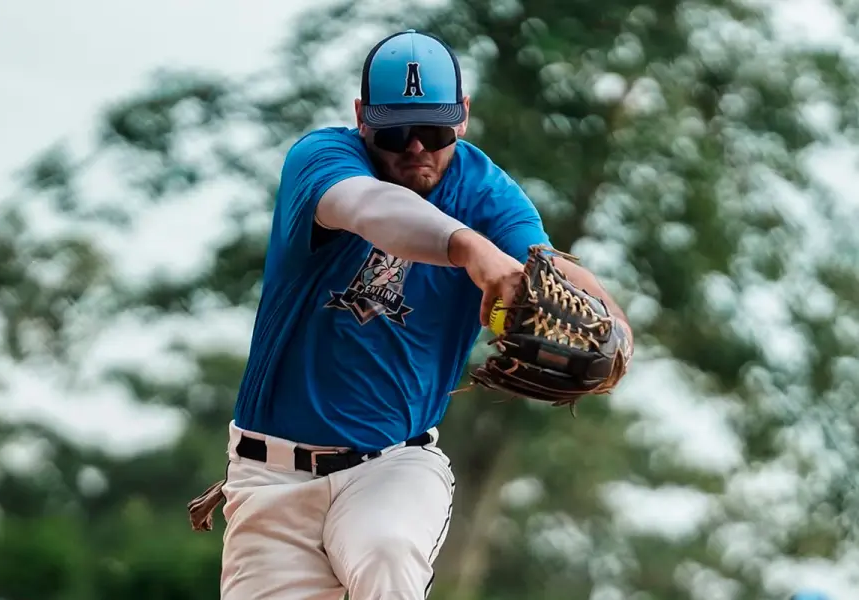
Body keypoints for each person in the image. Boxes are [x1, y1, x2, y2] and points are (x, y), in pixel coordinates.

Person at [187, 28, 634, 600]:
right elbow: (372, 208)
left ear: (464, 117)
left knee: (386, 549)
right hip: (270, 480)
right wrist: (471, 248)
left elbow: (547, 265)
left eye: (434, 129)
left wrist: (615, 329)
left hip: (391, 467)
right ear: (362, 117)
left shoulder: (486, 194)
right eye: (397, 131)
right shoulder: (321, 159)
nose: (416, 147)